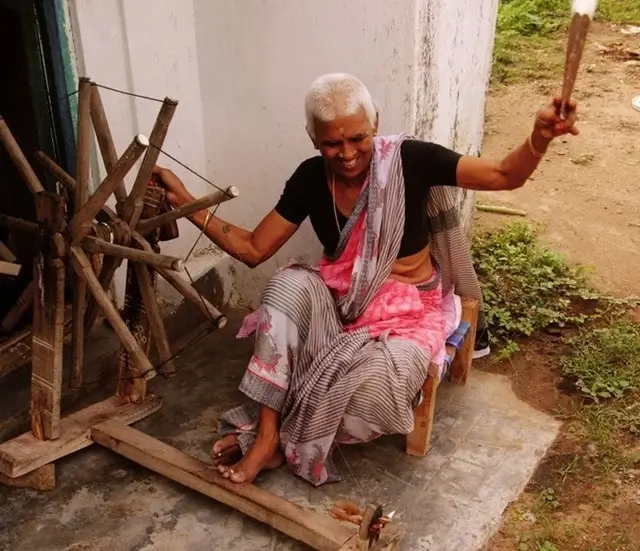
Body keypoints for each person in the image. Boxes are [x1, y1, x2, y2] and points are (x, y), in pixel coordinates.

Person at [153, 73, 578, 487]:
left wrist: (539, 137)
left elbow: (505, 175)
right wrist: (187, 201)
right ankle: (266, 439)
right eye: (332, 143)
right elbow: (252, 249)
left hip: (407, 314)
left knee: (369, 399)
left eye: (358, 138)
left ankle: (279, 434)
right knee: (285, 286)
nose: (348, 153)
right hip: (343, 305)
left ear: (375, 121)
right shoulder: (309, 177)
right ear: (312, 138)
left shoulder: (410, 161)